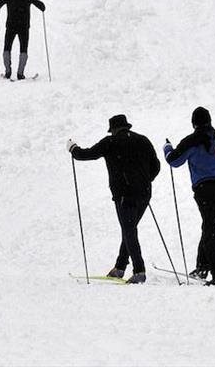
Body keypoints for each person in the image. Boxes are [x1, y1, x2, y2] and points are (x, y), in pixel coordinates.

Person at [67, 114, 161, 284]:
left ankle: (139, 271)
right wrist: (144, 181)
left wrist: (73, 148)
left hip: (125, 195)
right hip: (144, 193)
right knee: (129, 229)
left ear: (113, 129)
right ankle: (119, 267)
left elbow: (85, 154)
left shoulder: (110, 142)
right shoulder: (143, 140)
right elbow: (156, 166)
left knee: (129, 230)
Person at [163, 107, 215, 285]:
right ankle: (203, 266)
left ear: (193, 123)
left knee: (210, 227)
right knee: (210, 224)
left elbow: (174, 161)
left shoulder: (192, 140)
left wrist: (167, 148)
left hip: (205, 188)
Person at [0, 0, 45, 80]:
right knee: (23, 49)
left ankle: (8, 72)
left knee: (7, 48)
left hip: (10, 26)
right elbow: (41, 5)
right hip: (24, 27)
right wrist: (42, 8)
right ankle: (20, 74)